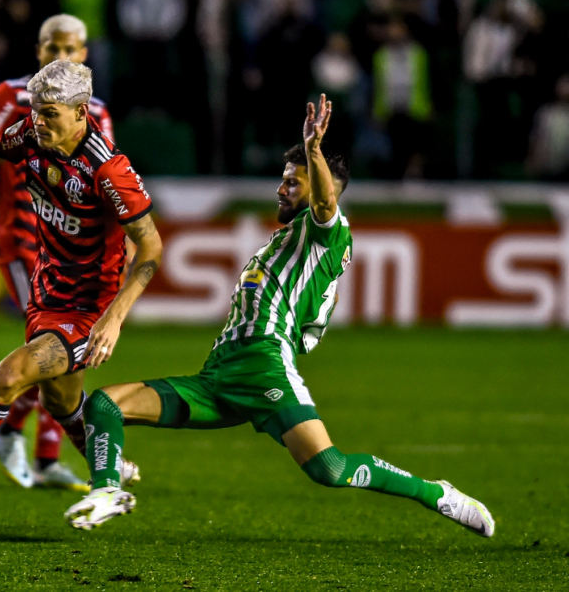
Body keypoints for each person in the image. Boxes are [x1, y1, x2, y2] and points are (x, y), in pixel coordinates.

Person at [64, 95, 495, 540]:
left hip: (264, 360)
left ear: (318, 186)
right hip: (221, 373)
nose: (280, 188)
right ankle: (107, 490)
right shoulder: (284, 240)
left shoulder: (325, 231)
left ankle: (434, 493)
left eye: (292, 181)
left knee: (329, 468)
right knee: (103, 404)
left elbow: (326, 203)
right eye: (283, 179)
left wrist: (313, 149)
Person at [0, 60, 161, 493]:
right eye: (36, 110)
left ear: (81, 113)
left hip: (88, 309)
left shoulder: (109, 170)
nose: (38, 121)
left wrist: (113, 319)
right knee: (60, 401)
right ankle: (110, 469)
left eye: (50, 113)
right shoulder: (30, 134)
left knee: (8, 378)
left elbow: (151, 246)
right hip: (46, 295)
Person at [0, 14, 114, 490]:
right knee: (53, 348)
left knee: (66, 355)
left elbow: (107, 185)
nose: (61, 57)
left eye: (70, 49)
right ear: (38, 50)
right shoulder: (12, 96)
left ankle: (41, 455)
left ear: (84, 54)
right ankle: (14, 434)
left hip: (76, 255)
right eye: (51, 48)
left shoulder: (96, 111)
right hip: (27, 242)